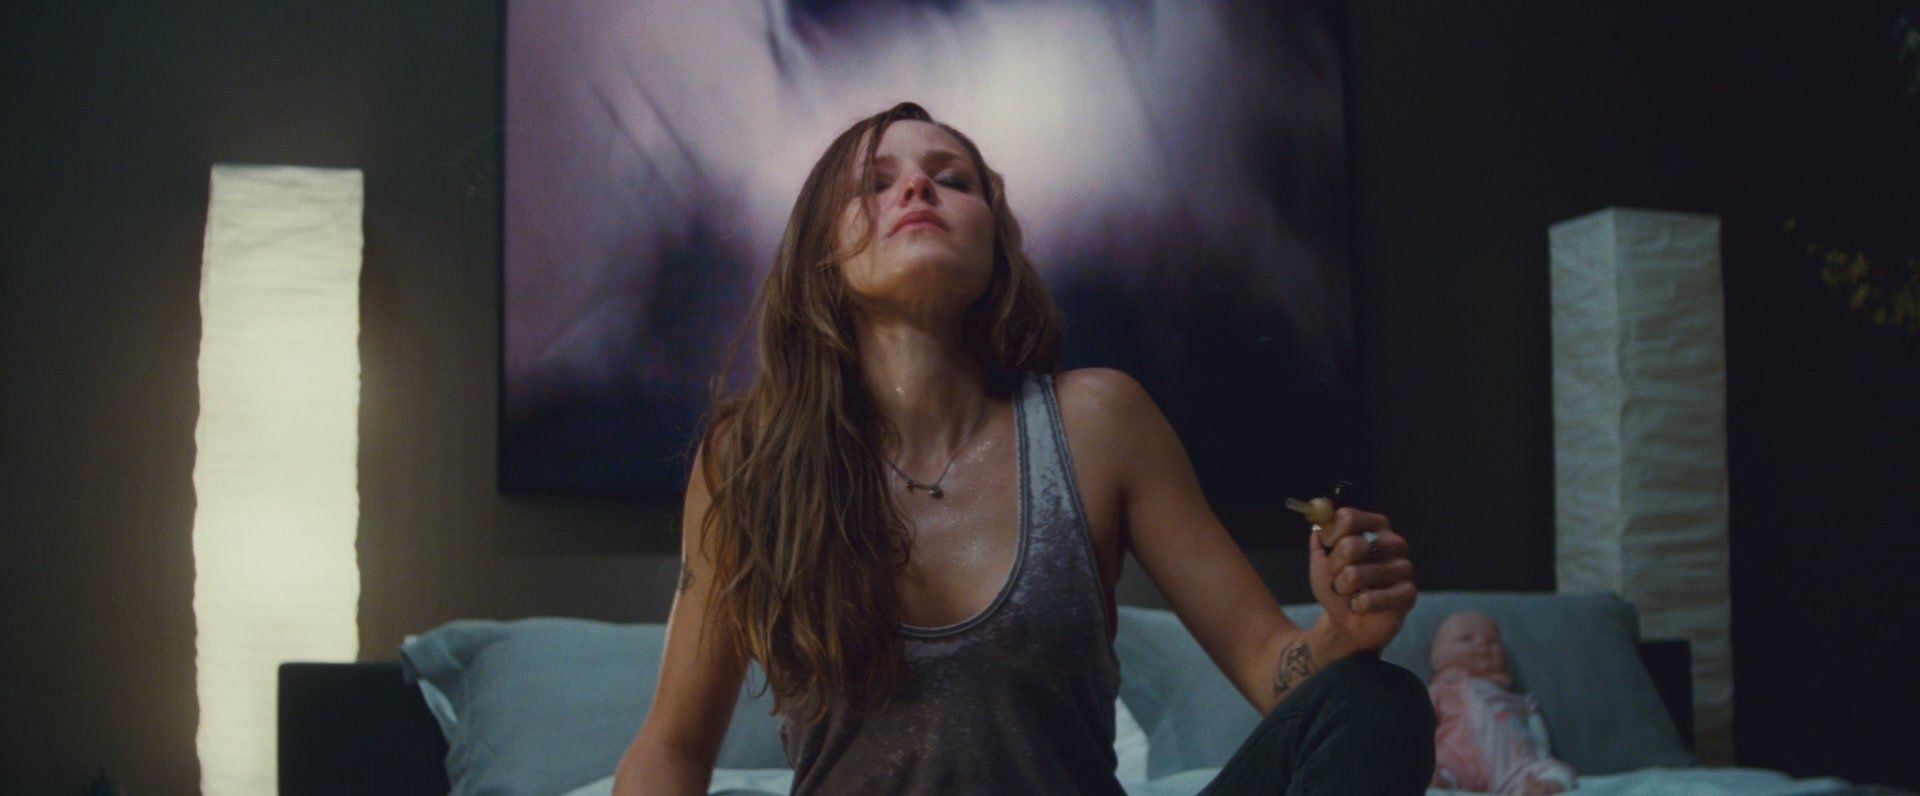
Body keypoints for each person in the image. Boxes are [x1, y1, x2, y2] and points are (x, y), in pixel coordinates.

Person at [611, 102, 1434, 795]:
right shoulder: (749, 457)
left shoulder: (1101, 421)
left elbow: (1270, 662)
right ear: (821, 252)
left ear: (996, 241)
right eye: (875, 182)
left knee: (1376, 700)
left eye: (952, 177)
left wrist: (1342, 631)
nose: (916, 188)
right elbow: (673, 747)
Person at [1428, 612, 1576, 795]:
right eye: (1466, 639)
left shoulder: (1514, 699)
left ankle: (1543, 788)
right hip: (1460, 761)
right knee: (1438, 769)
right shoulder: (1442, 691)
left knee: (1556, 769)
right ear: (1437, 657)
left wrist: (1541, 754)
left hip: (1516, 766)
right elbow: (1417, 721)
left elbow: (1537, 734)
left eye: (1492, 641)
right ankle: (1441, 781)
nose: (1482, 643)